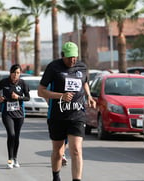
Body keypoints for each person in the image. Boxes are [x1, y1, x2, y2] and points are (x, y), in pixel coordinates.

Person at [38, 41, 96, 181]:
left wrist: (89, 96)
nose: (73, 60)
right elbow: (41, 91)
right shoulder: (53, 67)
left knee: (76, 149)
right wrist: (60, 96)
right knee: (58, 151)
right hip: (57, 116)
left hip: (77, 114)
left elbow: (84, 82)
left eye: (75, 57)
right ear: (62, 56)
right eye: (69, 57)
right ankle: (56, 177)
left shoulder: (82, 67)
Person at [0, 64, 30, 169]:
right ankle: (10, 159)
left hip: (19, 114)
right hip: (7, 113)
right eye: (14, 72)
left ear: (20, 74)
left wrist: (18, 97)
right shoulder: (4, 82)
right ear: (10, 73)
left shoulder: (23, 83)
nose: (15, 75)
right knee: (11, 134)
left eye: (18, 73)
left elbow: (27, 97)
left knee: (17, 136)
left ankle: (15, 158)